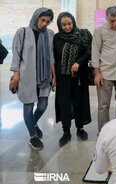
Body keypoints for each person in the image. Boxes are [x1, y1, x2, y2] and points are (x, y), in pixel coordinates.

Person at [9, 7, 56, 150]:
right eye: (42, 20)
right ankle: (33, 136)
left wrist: (54, 76)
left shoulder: (50, 34)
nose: (44, 24)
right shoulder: (22, 32)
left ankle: (32, 124)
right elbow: (16, 55)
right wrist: (16, 77)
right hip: (26, 76)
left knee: (42, 106)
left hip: (44, 76)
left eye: (47, 21)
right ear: (36, 17)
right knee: (28, 106)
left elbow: (52, 57)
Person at [53, 12, 92, 147]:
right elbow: (54, 58)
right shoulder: (57, 38)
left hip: (79, 76)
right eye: (63, 25)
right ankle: (66, 131)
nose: (67, 27)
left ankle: (80, 128)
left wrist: (79, 62)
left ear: (73, 22)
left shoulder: (82, 35)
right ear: (59, 25)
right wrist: (54, 76)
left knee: (79, 100)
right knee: (64, 102)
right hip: (63, 77)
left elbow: (89, 52)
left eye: (69, 24)